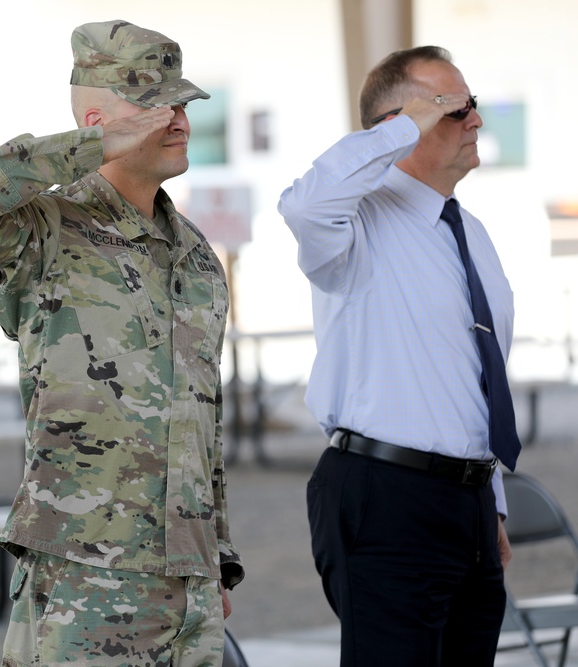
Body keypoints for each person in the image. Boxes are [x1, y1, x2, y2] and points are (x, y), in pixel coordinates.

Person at [0, 19, 244, 666]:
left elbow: (200, 417)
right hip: (86, 567)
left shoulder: (196, 255)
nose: (177, 118)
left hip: (190, 575)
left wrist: (219, 554)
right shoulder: (46, 228)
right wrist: (87, 147)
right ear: (96, 119)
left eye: (181, 103)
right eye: (155, 104)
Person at [278, 46, 522, 666]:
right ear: (398, 123)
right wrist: (404, 126)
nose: (475, 120)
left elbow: (473, 382)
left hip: (465, 503)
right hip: (386, 495)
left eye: (473, 105)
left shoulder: (470, 233)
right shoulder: (354, 220)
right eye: (454, 108)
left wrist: (487, 501)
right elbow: (304, 204)